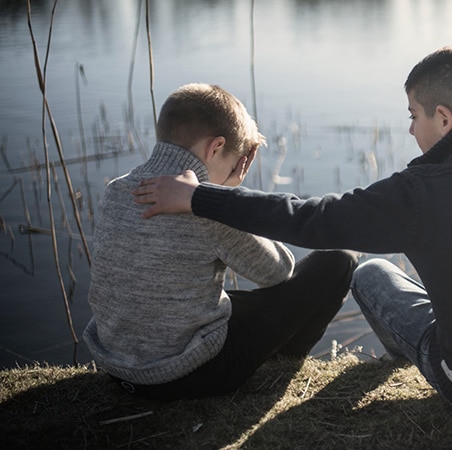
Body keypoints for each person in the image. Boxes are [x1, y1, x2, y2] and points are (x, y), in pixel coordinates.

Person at [133, 46, 452, 416]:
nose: (410, 130)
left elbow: (309, 218)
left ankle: (414, 364)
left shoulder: (418, 193)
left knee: (370, 275)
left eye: (414, 115)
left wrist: (197, 196)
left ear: (443, 119)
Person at [84, 83, 358, 401]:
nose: (233, 172)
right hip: (189, 374)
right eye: (233, 163)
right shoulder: (202, 206)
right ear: (215, 148)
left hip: (117, 370)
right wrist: (223, 197)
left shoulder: (116, 190)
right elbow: (278, 271)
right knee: (340, 257)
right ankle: (285, 363)